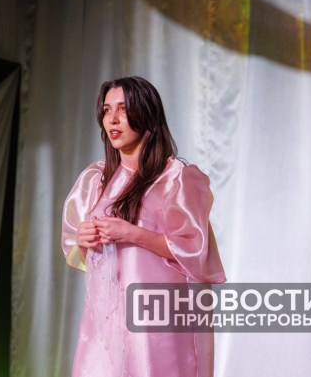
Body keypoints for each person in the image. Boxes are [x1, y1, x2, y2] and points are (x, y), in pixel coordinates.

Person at [61, 76, 226, 377]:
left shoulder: (176, 178)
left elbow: (194, 251)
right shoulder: (96, 179)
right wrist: (85, 241)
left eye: (123, 109)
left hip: (154, 326)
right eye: (107, 110)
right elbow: (92, 261)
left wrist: (132, 234)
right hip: (105, 323)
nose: (112, 119)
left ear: (146, 114)